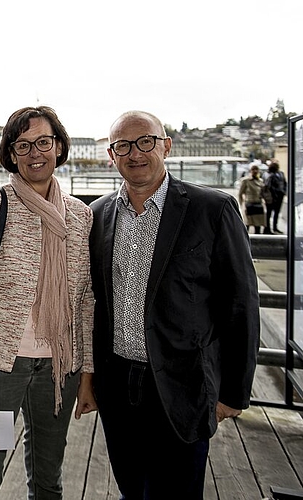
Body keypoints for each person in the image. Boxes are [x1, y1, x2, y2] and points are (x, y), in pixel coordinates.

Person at [89, 110, 260, 499]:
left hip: (183, 385)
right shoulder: (97, 215)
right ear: (111, 155)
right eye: (123, 146)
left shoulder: (212, 209)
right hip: (117, 386)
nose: (135, 153)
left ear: (165, 145)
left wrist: (234, 392)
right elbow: (92, 302)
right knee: (132, 489)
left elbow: (241, 304)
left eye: (145, 141)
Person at [0, 106, 96, 499]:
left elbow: (85, 302)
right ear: (11, 154)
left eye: (43, 142)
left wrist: (89, 374)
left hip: (60, 368)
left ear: (59, 146)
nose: (35, 153)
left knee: (49, 479)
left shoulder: (80, 215)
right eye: (23, 145)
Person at [238, 164, 266, 233]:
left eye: (256, 169)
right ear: (250, 171)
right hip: (249, 204)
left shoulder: (260, 181)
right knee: (247, 224)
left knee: (258, 224)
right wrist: (241, 204)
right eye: (253, 169)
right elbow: (240, 193)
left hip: (258, 204)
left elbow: (263, 193)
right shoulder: (246, 181)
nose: (255, 171)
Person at [264, 159, 287, 234]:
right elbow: (268, 186)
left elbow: (285, 183)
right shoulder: (269, 175)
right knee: (269, 213)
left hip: (280, 196)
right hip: (272, 197)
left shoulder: (281, 174)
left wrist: (284, 192)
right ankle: (267, 228)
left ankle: (275, 227)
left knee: (277, 213)